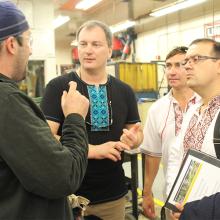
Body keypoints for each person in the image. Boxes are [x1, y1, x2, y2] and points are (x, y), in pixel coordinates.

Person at [40, 20, 143, 220]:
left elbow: (137, 133)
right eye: (83, 44)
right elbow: (45, 138)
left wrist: (134, 139)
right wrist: (93, 150)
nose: (88, 50)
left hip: (112, 196)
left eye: (96, 44)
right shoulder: (58, 87)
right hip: (68, 196)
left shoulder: (125, 91)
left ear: (110, 50)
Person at [0, 1, 89, 220]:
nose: (30, 49)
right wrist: (75, 117)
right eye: (28, 40)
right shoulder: (8, 101)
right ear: (12, 44)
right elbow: (63, 176)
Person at [140, 46, 200, 219]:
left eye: (179, 65)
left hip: (208, 195)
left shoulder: (207, 103)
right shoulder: (157, 109)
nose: (171, 72)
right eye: (168, 66)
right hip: (172, 196)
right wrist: (147, 192)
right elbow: (152, 155)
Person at [166, 38, 220, 220]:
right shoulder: (193, 110)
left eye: (196, 59)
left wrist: (197, 212)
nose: (187, 66)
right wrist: (173, 203)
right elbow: (176, 157)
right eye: (186, 61)